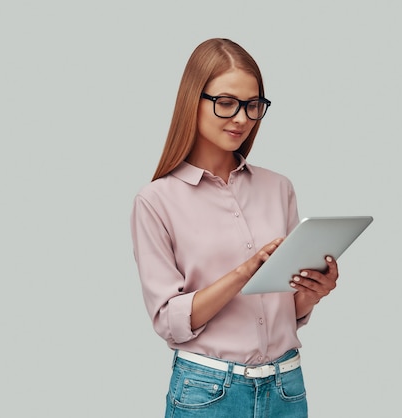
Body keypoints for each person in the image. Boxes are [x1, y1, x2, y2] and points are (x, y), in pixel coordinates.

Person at [130, 38, 339, 418]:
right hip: (208, 392)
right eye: (226, 103)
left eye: (253, 105)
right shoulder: (156, 200)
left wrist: (312, 292)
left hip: (286, 387)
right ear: (193, 100)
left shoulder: (279, 188)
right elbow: (170, 321)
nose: (242, 118)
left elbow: (283, 309)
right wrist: (243, 273)